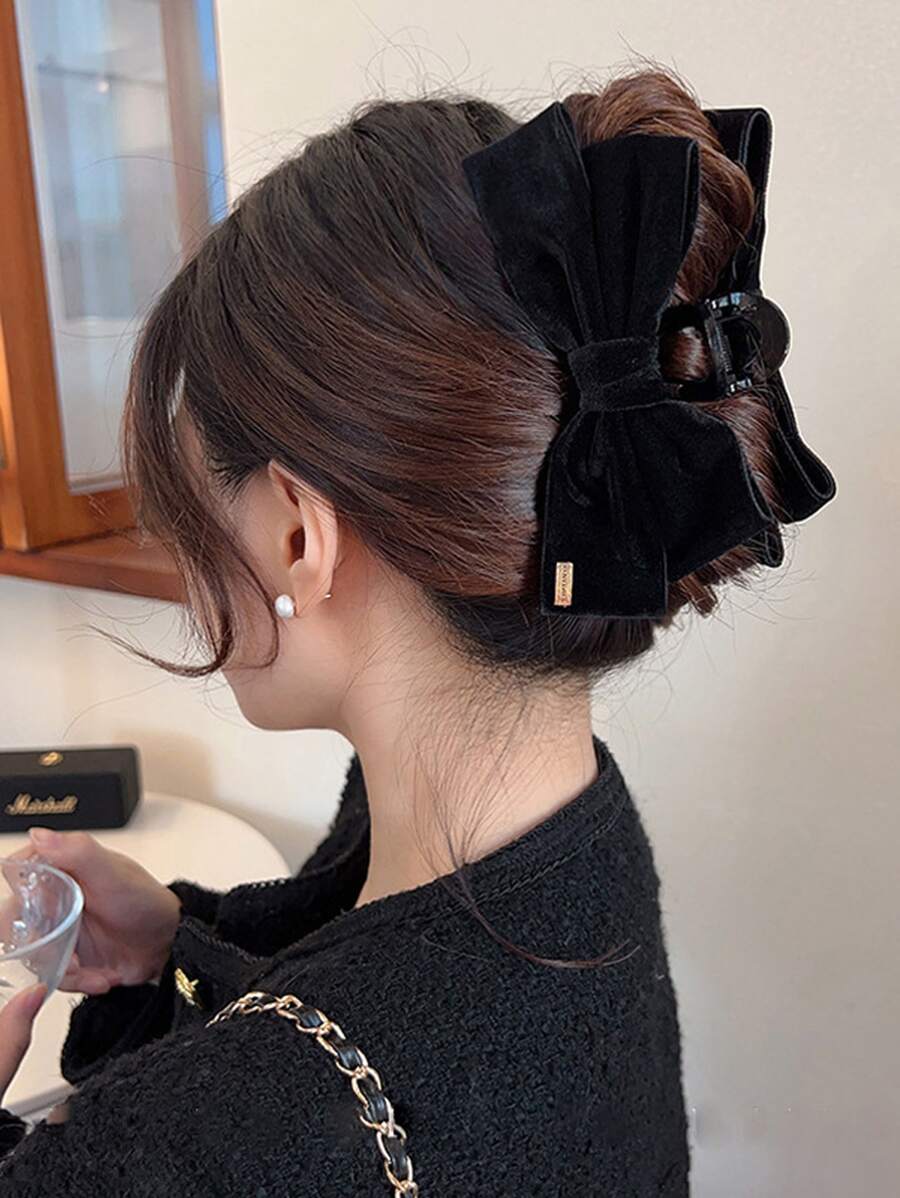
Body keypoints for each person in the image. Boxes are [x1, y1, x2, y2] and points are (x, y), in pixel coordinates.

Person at [0, 66, 833, 1195]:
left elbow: (307, 1091)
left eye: (188, 514)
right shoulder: (573, 827)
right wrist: (170, 944)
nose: (185, 562)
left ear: (298, 535)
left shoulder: (220, 1140)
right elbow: (367, 1014)